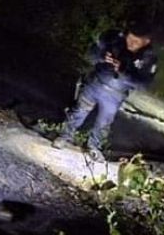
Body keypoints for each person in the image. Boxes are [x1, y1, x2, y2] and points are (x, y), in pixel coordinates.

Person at [52, 24, 157, 162]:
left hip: (115, 95)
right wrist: (102, 56)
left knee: (104, 123)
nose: (130, 43)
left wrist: (124, 70)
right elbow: (91, 54)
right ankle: (64, 137)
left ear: (146, 42)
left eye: (136, 42)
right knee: (79, 111)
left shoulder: (148, 58)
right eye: (129, 38)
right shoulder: (115, 39)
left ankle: (94, 147)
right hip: (95, 83)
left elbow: (143, 84)